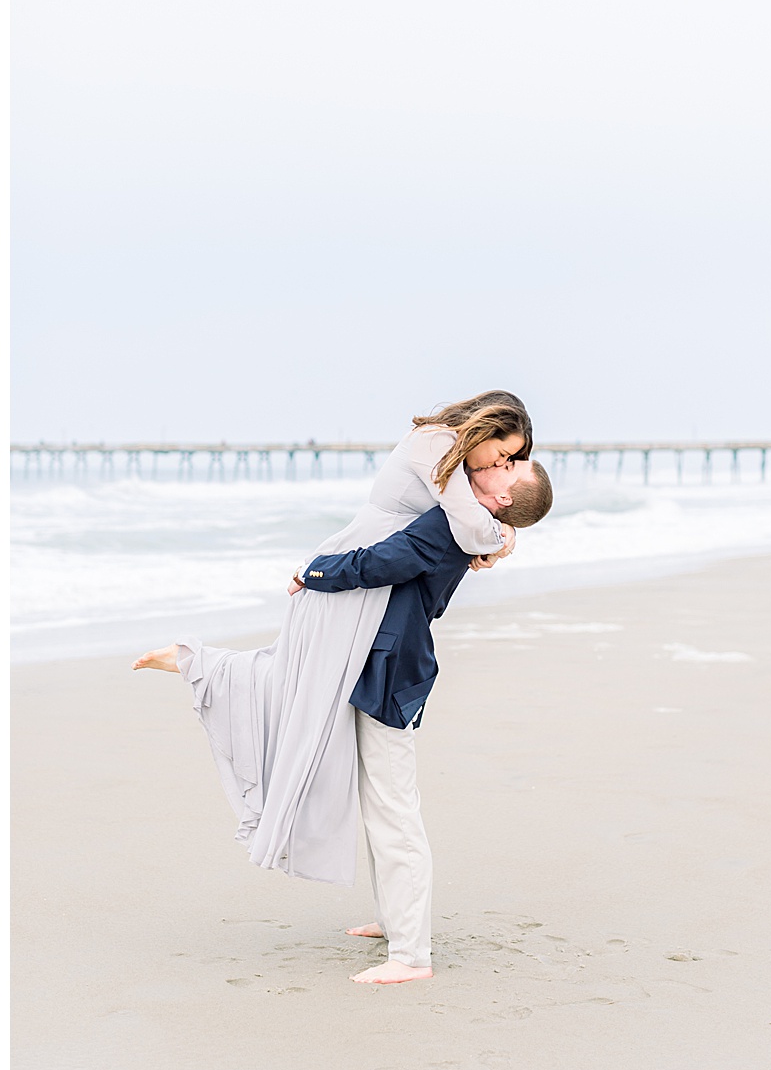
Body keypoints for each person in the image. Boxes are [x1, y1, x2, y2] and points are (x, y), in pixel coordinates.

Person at [133, 391, 533, 888]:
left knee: (304, 686)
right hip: (354, 568)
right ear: (483, 430)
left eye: (511, 461)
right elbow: (470, 528)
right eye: (503, 454)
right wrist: (503, 539)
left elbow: (468, 529)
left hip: (368, 577)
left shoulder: (450, 459)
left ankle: (195, 663)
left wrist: (496, 535)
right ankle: (197, 664)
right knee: (301, 686)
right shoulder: (434, 443)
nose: (504, 464)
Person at [290, 456, 553, 984]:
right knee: (382, 802)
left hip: (392, 668)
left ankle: (411, 955)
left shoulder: (451, 526)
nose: (500, 462)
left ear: (502, 500)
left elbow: (382, 561)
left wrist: (313, 571)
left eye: (510, 466)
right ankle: (393, 920)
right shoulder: (466, 524)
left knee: (394, 809)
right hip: (392, 660)